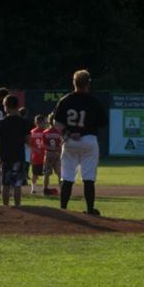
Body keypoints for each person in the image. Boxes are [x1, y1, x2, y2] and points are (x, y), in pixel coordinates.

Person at [55, 70, 104, 214]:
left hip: (70, 140)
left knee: (67, 177)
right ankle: (90, 209)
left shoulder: (65, 100)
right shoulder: (94, 101)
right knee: (89, 178)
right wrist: (85, 129)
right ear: (88, 83)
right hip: (89, 140)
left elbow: (57, 123)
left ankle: (63, 210)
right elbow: (103, 122)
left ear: (74, 83)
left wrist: (68, 132)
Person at [0, 95, 35, 208]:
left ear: (6, 107)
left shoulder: (2, 122)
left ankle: (6, 207)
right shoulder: (23, 122)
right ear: (17, 106)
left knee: (6, 184)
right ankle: (18, 206)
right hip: (19, 155)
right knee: (17, 184)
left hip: (5, 156)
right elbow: (28, 140)